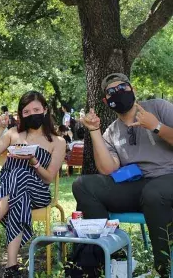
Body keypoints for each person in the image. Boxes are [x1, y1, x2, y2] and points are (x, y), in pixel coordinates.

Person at [73, 73, 173, 278]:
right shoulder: (112, 131)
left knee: (154, 193)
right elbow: (108, 169)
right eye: (111, 92)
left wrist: (157, 127)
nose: (117, 93)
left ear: (132, 89)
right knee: (84, 185)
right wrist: (94, 131)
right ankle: (100, 263)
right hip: (138, 185)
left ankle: (164, 268)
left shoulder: (159, 107)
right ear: (105, 101)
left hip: (168, 177)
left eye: (122, 88)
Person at [0, 91, 66, 277]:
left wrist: (34, 161)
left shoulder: (57, 141)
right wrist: (0, 129)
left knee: (20, 174)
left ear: (45, 110)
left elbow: (48, 178)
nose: (32, 114)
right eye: (27, 111)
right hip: (3, 189)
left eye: (36, 109)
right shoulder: (13, 133)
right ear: (21, 114)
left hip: (38, 190)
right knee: (19, 198)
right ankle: (11, 268)